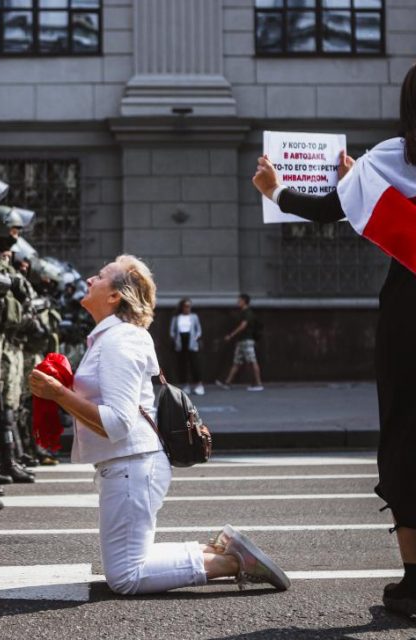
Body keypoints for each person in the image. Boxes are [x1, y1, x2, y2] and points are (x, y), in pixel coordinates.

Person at [251, 64, 416, 618]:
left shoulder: (388, 161)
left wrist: (278, 190)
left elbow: (331, 209)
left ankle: (414, 583)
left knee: (406, 436)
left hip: (408, 318)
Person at [29, 255, 290, 596]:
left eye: (101, 275)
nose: (90, 278)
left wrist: (59, 394)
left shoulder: (120, 340)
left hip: (132, 465)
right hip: (127, 465)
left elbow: (118, 423)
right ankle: (217, 551)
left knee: (126, 577)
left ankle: (234, 562)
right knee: (130, 563)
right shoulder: (110, 339)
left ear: (115, 296)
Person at [215, 294, 263, 391]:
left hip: (246, 340)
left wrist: (231, 335)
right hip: (241, 341)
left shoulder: (247, 312)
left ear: (244, 301)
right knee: (237, 362)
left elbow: (243, 326)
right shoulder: (244, 312)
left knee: (252, 361)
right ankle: (227, 383)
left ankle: (258, 384)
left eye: (239, 300)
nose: (237, 302)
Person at [169, 298, 204, 395]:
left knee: (194, 364)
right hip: (180, 342)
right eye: (185, 306)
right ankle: (186, 385)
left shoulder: (194, 317)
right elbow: (172, 330)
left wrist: (196, 338)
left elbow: (199, 330)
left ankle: (199, 385)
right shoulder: (176, 318)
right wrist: (175, 338)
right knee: (183, 364)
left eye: (189, 306)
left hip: (191, 341)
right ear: (182, 307)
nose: (187, 308)